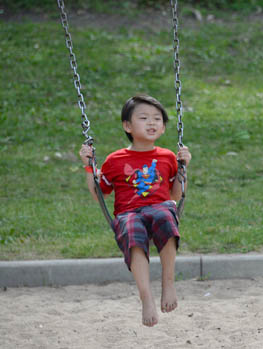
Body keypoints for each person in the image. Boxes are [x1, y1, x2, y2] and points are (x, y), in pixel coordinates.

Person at [79, 94, 191, 326]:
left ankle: (168, 283)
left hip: (159, 207)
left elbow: (176, 195)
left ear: (162, 127)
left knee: (165, 218)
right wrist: (88, 167)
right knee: (133, 234)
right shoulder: (115, 160)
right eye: (144, 118)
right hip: (128, 213)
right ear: (127, 126)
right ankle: (146, 297)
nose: (152, 123)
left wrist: (183, 169)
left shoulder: (168, 157)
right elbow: (100, 192)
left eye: (157, 119)